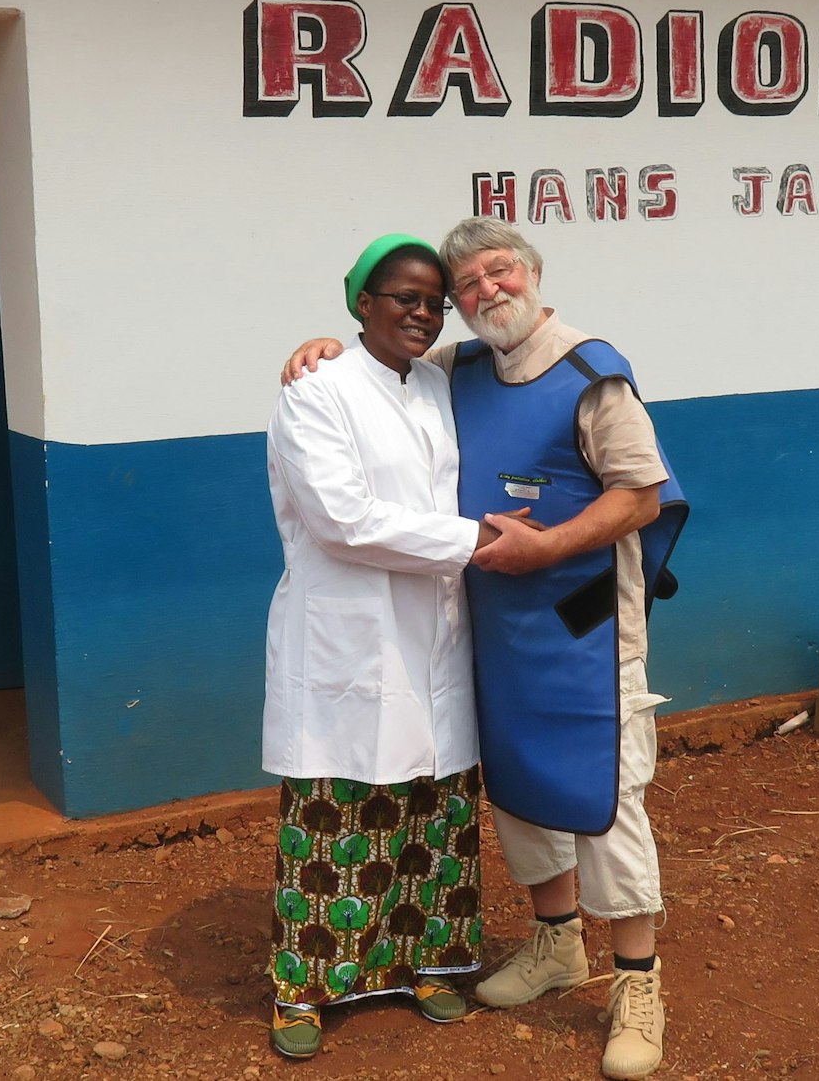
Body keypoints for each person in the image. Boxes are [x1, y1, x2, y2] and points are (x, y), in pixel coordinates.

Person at [282, 217, 687, 1080]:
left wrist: (550, 546)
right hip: (495, 625)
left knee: (604, 790)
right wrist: (326, 345)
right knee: (518, 785)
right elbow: (377, 368)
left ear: (533, 272)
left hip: (583, 621)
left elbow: (643, 496)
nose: (482, 292)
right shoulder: (456, 370)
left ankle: (637, 981)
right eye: (464, 287)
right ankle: (555, 944)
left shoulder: (592, 373)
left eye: (496, 272)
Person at [262, 234, 543, 1060]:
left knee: (434, 796)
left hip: (436, 621)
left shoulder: (436, 381)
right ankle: (304, 987)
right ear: (361, 304)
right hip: (350, 630)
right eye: (402, 298)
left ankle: (430, 961)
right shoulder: (317, 388)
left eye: (433, 302)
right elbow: (341, 520)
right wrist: (476, 536)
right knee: (337, 802)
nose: (421, 313)